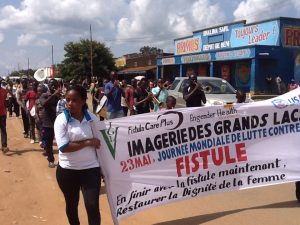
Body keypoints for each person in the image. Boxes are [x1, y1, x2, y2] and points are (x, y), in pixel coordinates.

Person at [54, 84, 103, 225]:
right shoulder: (61, 120)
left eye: (74, 100)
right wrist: (88, 142)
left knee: (93, 206)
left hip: (91, 170)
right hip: (68, 171)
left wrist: (105, 169)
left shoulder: (93, 119)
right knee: (72, 205)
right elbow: (64, 147)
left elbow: (101, 145)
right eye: (67, 100)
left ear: (83, 101)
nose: (70, 103)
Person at [39, 79, 61, 168]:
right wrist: (54, 94)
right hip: (48, 123)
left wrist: (59, 96)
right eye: (51, 84)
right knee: (49, 143)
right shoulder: (44, 95)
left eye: (54, 84)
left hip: (59, 123)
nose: (52, 86)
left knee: (62, 142)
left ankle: (63, 161)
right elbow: (43, 103)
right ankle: (51, 160)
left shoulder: (59, 96)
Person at [0, 82, 8, 153]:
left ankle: (4, 146)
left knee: (3, 130)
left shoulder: (4, 91)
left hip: (2, 113)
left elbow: (6, 101)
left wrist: (6, 110)